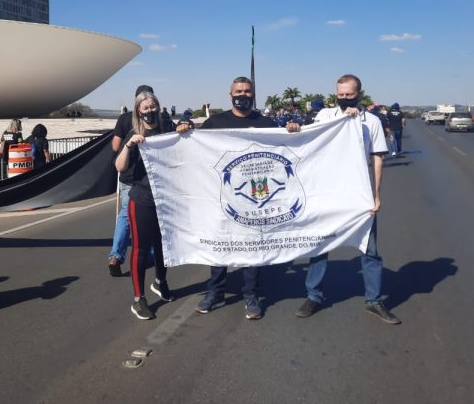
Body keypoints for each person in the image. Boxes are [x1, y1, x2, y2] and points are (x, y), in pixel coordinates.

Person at [294, 75, 401, 325]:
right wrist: (293, 127)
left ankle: (374, 301)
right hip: (326, 192)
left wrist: (376, 195)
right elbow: (304, 141)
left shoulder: (371, 121)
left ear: (359, 93)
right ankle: (314, 295)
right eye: (340, 95)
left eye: (349, 95)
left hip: (357, 192)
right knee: (319, 245)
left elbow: (377, 158)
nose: (344, 99)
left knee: (369, 249)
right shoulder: (324, 117)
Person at [196, 76, 300, 320]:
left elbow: (285, 148)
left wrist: (292, 131)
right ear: (230, 94)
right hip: (223, 196)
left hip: (254, 198)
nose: (242, 95)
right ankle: (215, 292)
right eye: (238, 91)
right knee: (220, 244)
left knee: (253, 247)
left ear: (253, 94)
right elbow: (196, 150)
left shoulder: (265, 123)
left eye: (247, 91)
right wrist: (184, 129)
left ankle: (251, 295)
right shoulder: (215, 122)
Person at [115, 91, 189, 320]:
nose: (149, 111)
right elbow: (119, 166)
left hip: (166, 199)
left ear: (158, 107)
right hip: (142, 199)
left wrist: (187, 124)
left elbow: (186, 135)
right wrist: (128, 145)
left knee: (163, 245)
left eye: (153, 106)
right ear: (138, 110)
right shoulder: (134, 132)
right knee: (140, 248)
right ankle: (139, 299)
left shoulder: (166, 128)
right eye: (145, 107)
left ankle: (160, 282)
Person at [107, 85, 154, 277]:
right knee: (148, 216)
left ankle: (116, 255)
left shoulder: (123, 118)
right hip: (141, 177)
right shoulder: (153, 120)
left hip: (128, 177)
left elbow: (115, 145)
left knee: (125, 217)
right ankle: (148, 254)